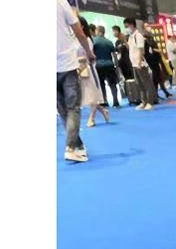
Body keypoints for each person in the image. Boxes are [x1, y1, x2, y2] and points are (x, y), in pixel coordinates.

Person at [57, 0, 92, 162]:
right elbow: (79, 31)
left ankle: (77, 145)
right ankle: (70, 147)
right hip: (67, 65)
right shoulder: (60, 2)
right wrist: (89, 52)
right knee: (73, 108)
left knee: (63, 110)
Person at [77, 17, 110, 128]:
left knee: (92, 95)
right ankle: (103, 110)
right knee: (86, 96)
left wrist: (76, 59)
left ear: (82, 26)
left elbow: (89, 56)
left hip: (88, 69)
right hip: (79, 70)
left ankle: (91, 118)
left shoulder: (87, 40)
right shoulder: (73, 40)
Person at [124, 17, 155, 110]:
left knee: (146, 83)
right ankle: (143, 101)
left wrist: (139, 62)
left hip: (140, 63)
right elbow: (130, 48)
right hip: (134, 63)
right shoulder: (131, 37)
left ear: (132, 25)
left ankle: (150, 102)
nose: (126, 28)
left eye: (127, 26)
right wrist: (124, 40)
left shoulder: (138, 36)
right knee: (139, 84)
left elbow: (141, 50)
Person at [93, 26, 119, 107]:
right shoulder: (109, 42)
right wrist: (116, 65)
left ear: (98, 31)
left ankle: (104, 100)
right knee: (113, 84)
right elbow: (114, 54)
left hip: (99, 65)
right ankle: (115, 101)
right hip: (109, 64)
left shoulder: (94, 41)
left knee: (101, 84)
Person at [144, 23, 172, 99]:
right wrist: (155, 50)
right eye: (146, 26)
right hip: (151, 61)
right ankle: (163, 92)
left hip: (156, 59)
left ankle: (157, 93)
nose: (149, 28)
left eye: (148, 26)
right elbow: (148, 50)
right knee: (158, 77)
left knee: (156, 77)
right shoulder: (145, 39)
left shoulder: (151, 38)